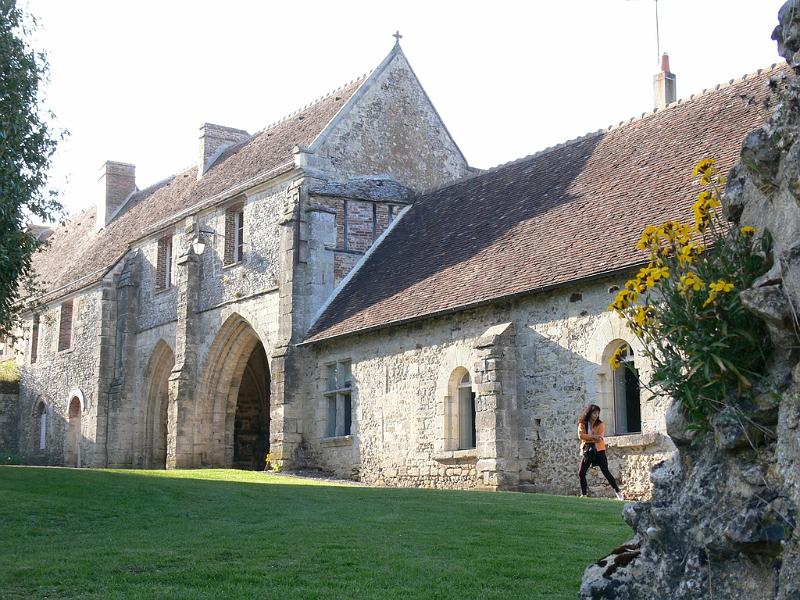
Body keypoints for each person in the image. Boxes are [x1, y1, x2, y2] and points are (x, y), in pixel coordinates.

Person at [578, 404, 624, 500]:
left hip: (599, 450)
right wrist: (593, 437)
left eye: (598, 413)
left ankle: (618, 492)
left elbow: (599, 439)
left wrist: (588, 437)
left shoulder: (600, 424)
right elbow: (581, 436)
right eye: (594, 413)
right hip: (587, 450)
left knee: (606, 472)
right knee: (581, 472)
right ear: (589, 413)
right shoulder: (583, 423)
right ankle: (584, 494)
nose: (596, 415)